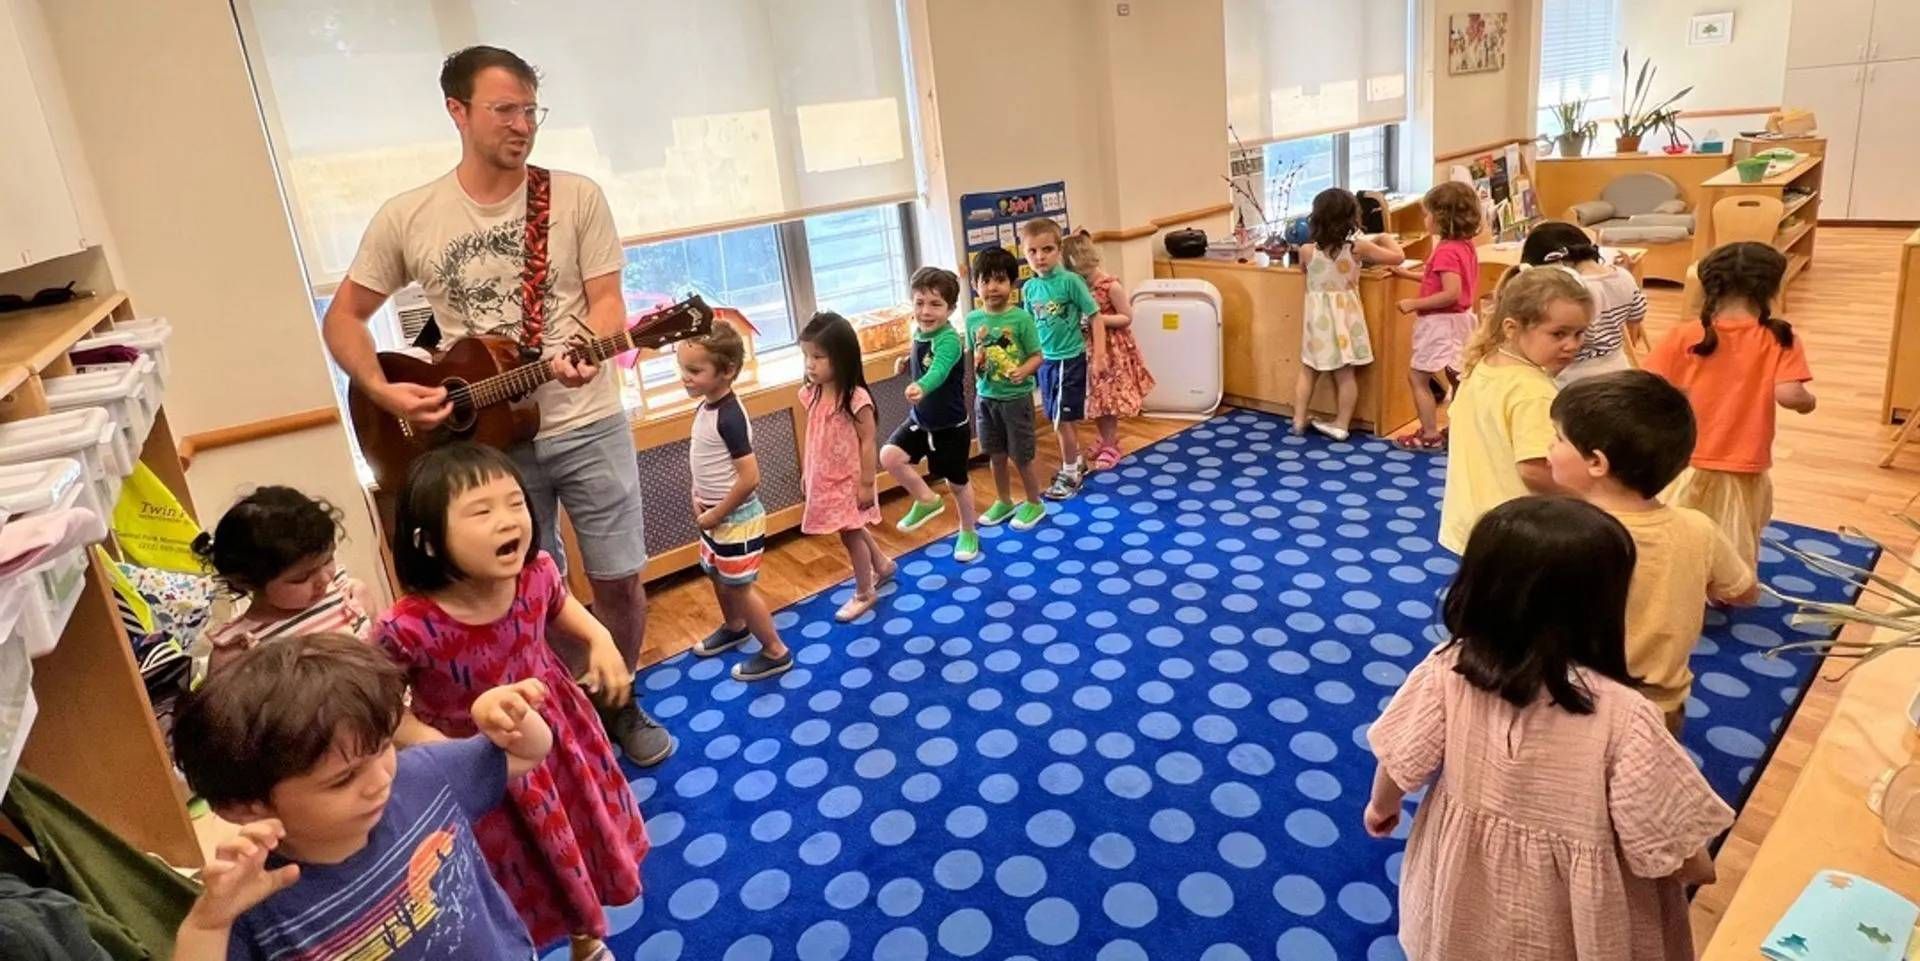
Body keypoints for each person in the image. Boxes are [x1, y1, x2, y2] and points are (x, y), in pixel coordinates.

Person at [318, 45, 670, 766]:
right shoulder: (408, 215)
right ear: (457, 111)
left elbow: (607, 303)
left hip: (587, 419)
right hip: (485, 445)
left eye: (530, 110)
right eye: (503, 109)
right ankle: (547, 710)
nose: (521, 125)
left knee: (617, 575)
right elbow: (343, 319)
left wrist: (589, 346)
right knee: (519, 595)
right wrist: (385, 390)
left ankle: (618, 698)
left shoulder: (574, 197)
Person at [1364, 496, 1734, 961]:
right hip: (1576, 915)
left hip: (1465, 888)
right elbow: (1665, 835)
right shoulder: (1624, 715)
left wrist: (1382, 806)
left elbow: (1399, 759)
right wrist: (1697, 865)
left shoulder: (1448, 670)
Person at [378, 443, 646, 959]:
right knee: (505, 870)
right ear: (427, 542)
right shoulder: (407, 626)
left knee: (576, 834)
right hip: (478, 763)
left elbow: (562, 609)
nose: (508, 520)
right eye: (481, 511)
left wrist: (601, 641)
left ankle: (586, 940)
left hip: (558, 738)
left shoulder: (537, 573)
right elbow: (381, 707)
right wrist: (436, 749)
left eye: (515, 503)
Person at [170, 633, 555, 961]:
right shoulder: (253, 898)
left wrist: (514, 718)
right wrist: (209, 925)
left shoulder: (423, 777)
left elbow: (526, 753)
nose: (379, 780)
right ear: (244, 807)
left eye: (384, 747)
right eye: (344, 779)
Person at [1549, 371, 1759, 734]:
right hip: (1659, 708)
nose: (1549, 447)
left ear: (1597, 462)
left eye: (1558, 438)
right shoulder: (1699, 529)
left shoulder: (1560, 534)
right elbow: (1744, 592)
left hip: (1574, 702)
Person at [1643, 241, 1816, 569]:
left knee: (1679, 531)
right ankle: (1725, 586)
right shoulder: (1780, 336)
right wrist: (1809, 402)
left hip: (1683, 459)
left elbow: (1648, 389)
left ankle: (1679, 580)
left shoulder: (1684, 335)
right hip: (1742, 460)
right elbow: (1790, 395)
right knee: (1734, 534)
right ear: (1771, 288)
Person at [1436, 267, 1590, 553]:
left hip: (1472, 517)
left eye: (1579, 333)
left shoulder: (1483, 364)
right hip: (1518, 531)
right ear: (1512, 327)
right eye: (1558, 334)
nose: (1572, 345)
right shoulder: (1533, 391)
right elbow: (1534, 471)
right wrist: (1588, 498)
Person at [678, 322, 794, 680]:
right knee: (717, 575)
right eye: (682, 369)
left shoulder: (729, 416)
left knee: (740, 587)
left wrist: (717, 513)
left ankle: (775, 650)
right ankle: (735, 626)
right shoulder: (707, 406)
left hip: (736, 518)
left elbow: (749, 477)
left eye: (694, 371)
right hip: (714, 516)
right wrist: (698, 499)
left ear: (726, 371)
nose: (685, 378)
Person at [191, 487, 374, 684]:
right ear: (248, 581)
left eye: (328, 559)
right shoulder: (237, 651)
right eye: (302, 577)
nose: (324, 579)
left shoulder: (349, 597)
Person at [799, 312, 897, 622]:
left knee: (850, 533)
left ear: (841, 358)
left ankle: (865, 592)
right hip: (825, 476)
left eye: (818, 356)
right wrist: (807, 471)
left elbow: (868, 441)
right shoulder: (813, 393)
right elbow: (813, 436)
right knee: (850, 525)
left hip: (848, 479)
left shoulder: (855, 398)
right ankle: (881, 564)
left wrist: (867, 484)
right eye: (806, 356)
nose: (809, 364)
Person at [882, 267, 981, 562]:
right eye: (919, 303)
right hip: (921, 421)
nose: (926, 311)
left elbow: (938, 369)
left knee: (958, 483)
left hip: (950, 426)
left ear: (950, 309)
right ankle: (926, 499)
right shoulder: (921, 331)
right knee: (889, 456)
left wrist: (921, 385)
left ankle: (968, 531)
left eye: (935, 304)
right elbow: (922, 358)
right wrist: (904, 362)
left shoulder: (949, 340)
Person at [1291, 188, 1406, 440]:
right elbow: (1398, 257)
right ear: (1351, 218)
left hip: (1317, 323)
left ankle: (1299, 421)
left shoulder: (1307, 251)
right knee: (1345, 374)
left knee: (1308, 370)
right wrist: (1385, 237)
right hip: (1345, 321)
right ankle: (1342, 423)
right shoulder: (1357, 249)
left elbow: (1304, 272)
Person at [1393, 180, 1484, 451]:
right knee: (1458, 377)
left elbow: (1450, 293)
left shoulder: (1445, 250)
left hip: (1440, 322)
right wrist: (1409, 274)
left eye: (1427, 213)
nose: (1425, 218)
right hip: (1462, 319)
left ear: (1441, 218)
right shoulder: (1463, 246)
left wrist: (1413, 303)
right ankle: (1457, 430)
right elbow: (1442, 280)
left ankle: (1430, 434)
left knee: (1418, 376)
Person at [966, 246, 1048, 533]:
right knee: (995, 455)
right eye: (985, 281)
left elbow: (1038, 355)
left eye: (1000, 280)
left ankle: (1034, 502)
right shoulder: (973, 320)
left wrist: (1024, 371)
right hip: (986, 398)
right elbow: (974, 354)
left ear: (1012, 283)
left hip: (1016, 399)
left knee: (1021, 455)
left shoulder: (1021, 318)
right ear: (975, 285)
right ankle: (1003, 500)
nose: (992, 288)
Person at [1019, 217, 1101, 499]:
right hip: (1046, 362)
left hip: (1070, 359)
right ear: (1024, 253)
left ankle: (1068, 472)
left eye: (1047, 249)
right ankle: (1076, 460)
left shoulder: (1070, 282)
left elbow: (1095, 316)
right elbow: (1029, 328)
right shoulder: (1029, 289)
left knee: (1062, 420)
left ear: (1058, 250)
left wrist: (1099, 354)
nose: (1040, 257)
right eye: (1033, 251)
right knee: (1054, 415)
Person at [1062, 230, 1157, 469]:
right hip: (1088, 347)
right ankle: (1106, 438)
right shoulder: (1078, 286)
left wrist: (1098, 319)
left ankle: (1110, 443)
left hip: (1112, 350)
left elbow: (1127, 317)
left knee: (1108, 398)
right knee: (1096, 398)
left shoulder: (1110, 286)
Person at [1518, 220, 1649, 386]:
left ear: (1553, 263)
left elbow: (1564, 341)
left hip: (1575, 377)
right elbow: (1637, 316)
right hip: (1618, 366)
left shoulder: (1573, 290)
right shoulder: (1624, 275)